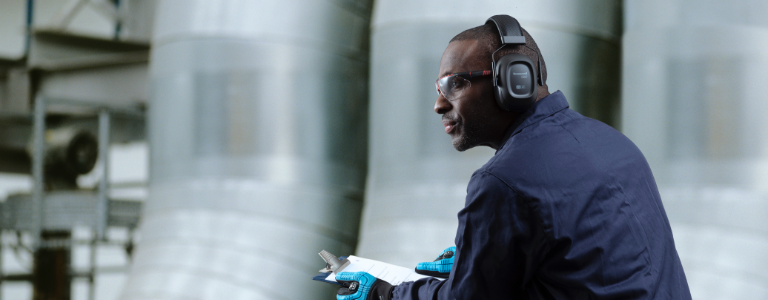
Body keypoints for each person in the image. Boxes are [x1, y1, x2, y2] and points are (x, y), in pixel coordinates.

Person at [335, 15, 692, 300]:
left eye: (454, 84)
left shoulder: (504, 180)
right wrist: (480, 259)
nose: (439, 104)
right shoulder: (612, 142)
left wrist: (386, 293)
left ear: (514, 81)